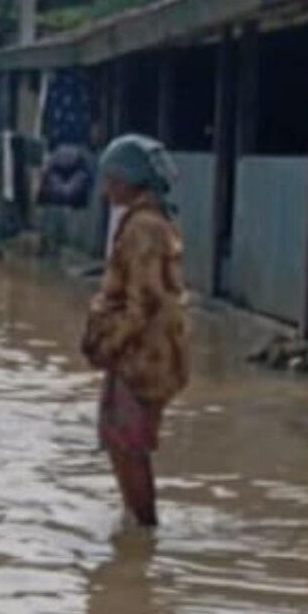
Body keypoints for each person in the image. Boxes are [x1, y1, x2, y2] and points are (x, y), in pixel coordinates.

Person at [81, 134, 190, 529]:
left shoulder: (143, 229)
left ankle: (143, 528)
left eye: (111, 180)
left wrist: (107, 345)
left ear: (128, 180)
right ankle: (135, 521)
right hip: (142, 352)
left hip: (141, 355)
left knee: (129, 443)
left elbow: (142, 303)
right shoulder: (149, 223)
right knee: (121, 439)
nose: (106, 190)